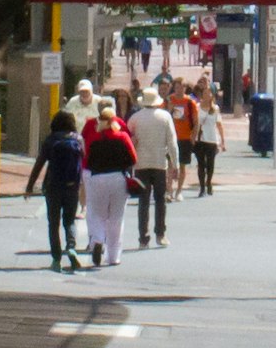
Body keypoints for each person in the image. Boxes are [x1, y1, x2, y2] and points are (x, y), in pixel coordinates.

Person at [80, 107, 138, 268]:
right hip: (118, 178)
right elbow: (133, 158)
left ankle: (97, 239)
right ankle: (113, 256)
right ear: (114, 121)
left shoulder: (94, 139)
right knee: (116, 218)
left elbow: (88, 160)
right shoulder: (122, 137)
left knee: (97, 214)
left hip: (97, 178)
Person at [34, 107, 87, 271]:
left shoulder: (50, 140)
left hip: (53, 187)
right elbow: (83, 158)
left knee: (53, 223)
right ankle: (71, 247)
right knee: (69, 220)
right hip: (72, 186)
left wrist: (30, 186)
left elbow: (39, 164)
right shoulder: (78, 139)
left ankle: (56, 259)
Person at [127, 89, 180, 245]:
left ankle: (143, 237)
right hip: (159, 164)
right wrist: (175, 164)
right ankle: (160, 234)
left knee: (143, 201)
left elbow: (128, 139)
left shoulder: (135, 118)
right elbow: (172, 143)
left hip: (140, 164)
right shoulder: (165, 117)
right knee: (160, 200)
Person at [181, 83, 220, 196]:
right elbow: (194, 123)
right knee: (201, 164)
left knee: (210, 165)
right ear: (202, 95)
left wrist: (222, 140)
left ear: (212, 95)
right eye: (205, 93)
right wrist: (192, 136)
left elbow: (218, 124)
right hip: (200, 139)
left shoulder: (215, 109)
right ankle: (202, 187)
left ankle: (209, 183)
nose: (207, 95)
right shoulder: (197, 107)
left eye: (209, 93)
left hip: (212, 139)